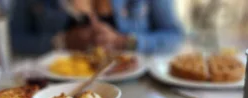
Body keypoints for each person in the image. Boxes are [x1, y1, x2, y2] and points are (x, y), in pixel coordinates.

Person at [10, 0, 183, 55]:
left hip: (136, 88)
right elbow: (13, 39)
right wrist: (60, 42)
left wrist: (124, 41)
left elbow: (174, 35)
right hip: (56, 86)